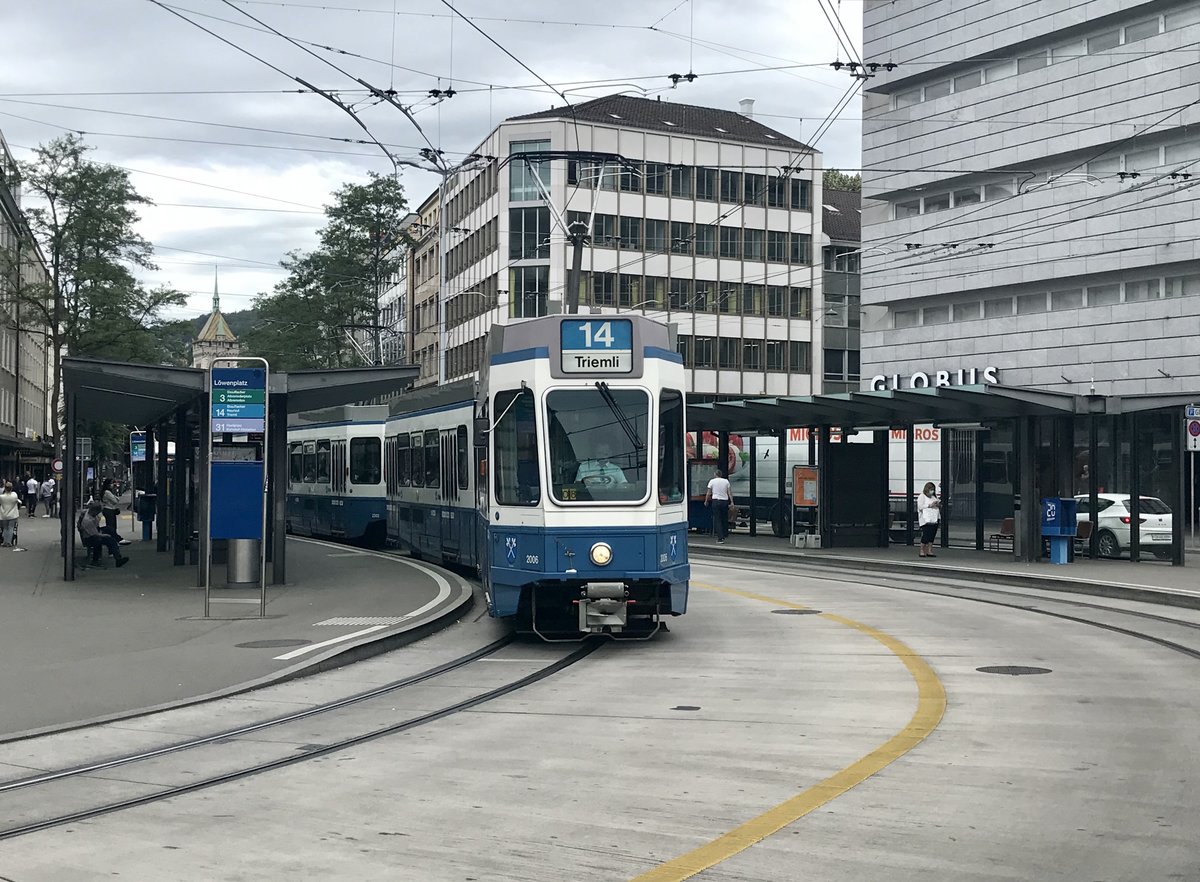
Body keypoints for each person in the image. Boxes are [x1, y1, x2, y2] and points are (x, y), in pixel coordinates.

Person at [78, 501, 129, 567]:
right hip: (89, 537)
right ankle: (118, 558)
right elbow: (95, 534)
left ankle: (118, 542)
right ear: (95, 511)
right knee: (109, 539)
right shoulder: (88, 521)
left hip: (94, 531)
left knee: (109, 529)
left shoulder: (88, 512)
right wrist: (105, 535)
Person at [705, 469, 733, 543]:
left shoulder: (712, 481)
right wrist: (732, 502)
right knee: (724, 518)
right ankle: (724, 534)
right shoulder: (726, 481)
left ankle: (720, 537)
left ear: (715, 474)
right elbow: (729, 493)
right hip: (724, 501)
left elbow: (708, 493)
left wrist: (706, 501)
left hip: (716, 501)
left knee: (717, 519)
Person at [100, 478, 130, 545]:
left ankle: (114, 540)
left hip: (109, 509)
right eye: (111, 483)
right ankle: (115, 540)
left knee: (111, 526)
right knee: (111, 527)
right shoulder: (107, 492)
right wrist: (115, 494)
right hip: (109, 510)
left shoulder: (107, 492)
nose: (112, 485)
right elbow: (115, 500)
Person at [917, 481, 941, 558]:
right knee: (926, 535)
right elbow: (920, 507)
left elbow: (938, 505)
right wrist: (930, 505)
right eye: (931, 489)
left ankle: (929, 550)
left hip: (934, 518)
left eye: (933, 489)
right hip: (925, 519)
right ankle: (921, 550)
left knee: (932, 535)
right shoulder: (922, 496)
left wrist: (938, 505)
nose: (932, 491)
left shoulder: (934, 497)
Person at [0, 481, 20, 550]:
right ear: (11, 488)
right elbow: (18, 501)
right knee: (11, 528)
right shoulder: (14, 495)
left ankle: (4, 542)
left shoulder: (1, 497)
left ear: (5, 488)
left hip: (4, 514)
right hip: (13, 514)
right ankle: (9, 542)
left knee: (5, 528)